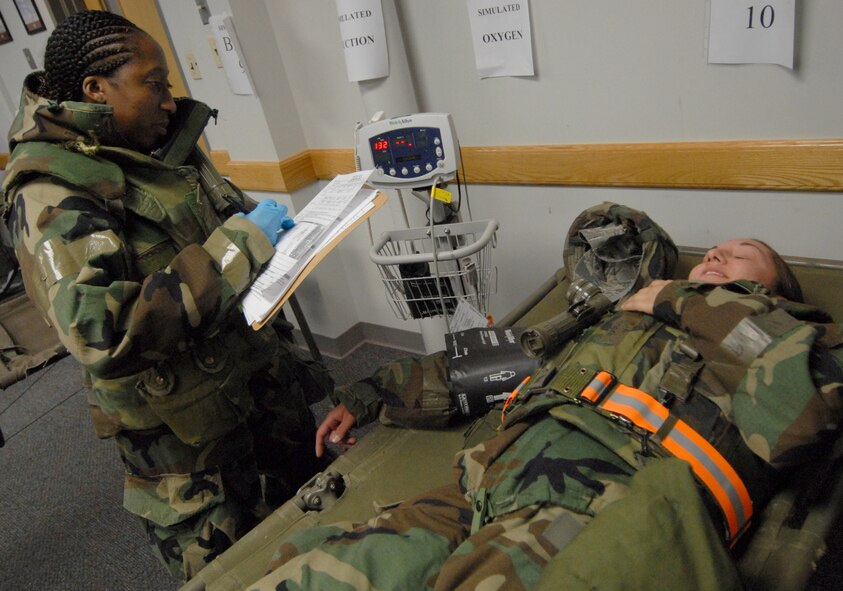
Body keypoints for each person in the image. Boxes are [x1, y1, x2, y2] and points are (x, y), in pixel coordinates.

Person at [249, 228, 842, 590]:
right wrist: (370, 394)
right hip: (486, 474)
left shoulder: (799, 336)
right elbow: (510, 357)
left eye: (741, 255)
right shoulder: (630, 311)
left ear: (777, 289)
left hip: (605, 493)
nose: (716, 254)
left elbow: (796, 419)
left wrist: (676, 297)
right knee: (323, 574)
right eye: (713, 250)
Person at [1, 10, 334, 581]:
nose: (168, 100)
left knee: (324, 536)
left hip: (257, 395)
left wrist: (258, 225)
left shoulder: (157, 144)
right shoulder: (51, 190)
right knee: (242, 572)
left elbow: (219, 217)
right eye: (153, 84)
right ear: (95, 89)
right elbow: (100, 332)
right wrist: (243, 243)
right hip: (193, 455)